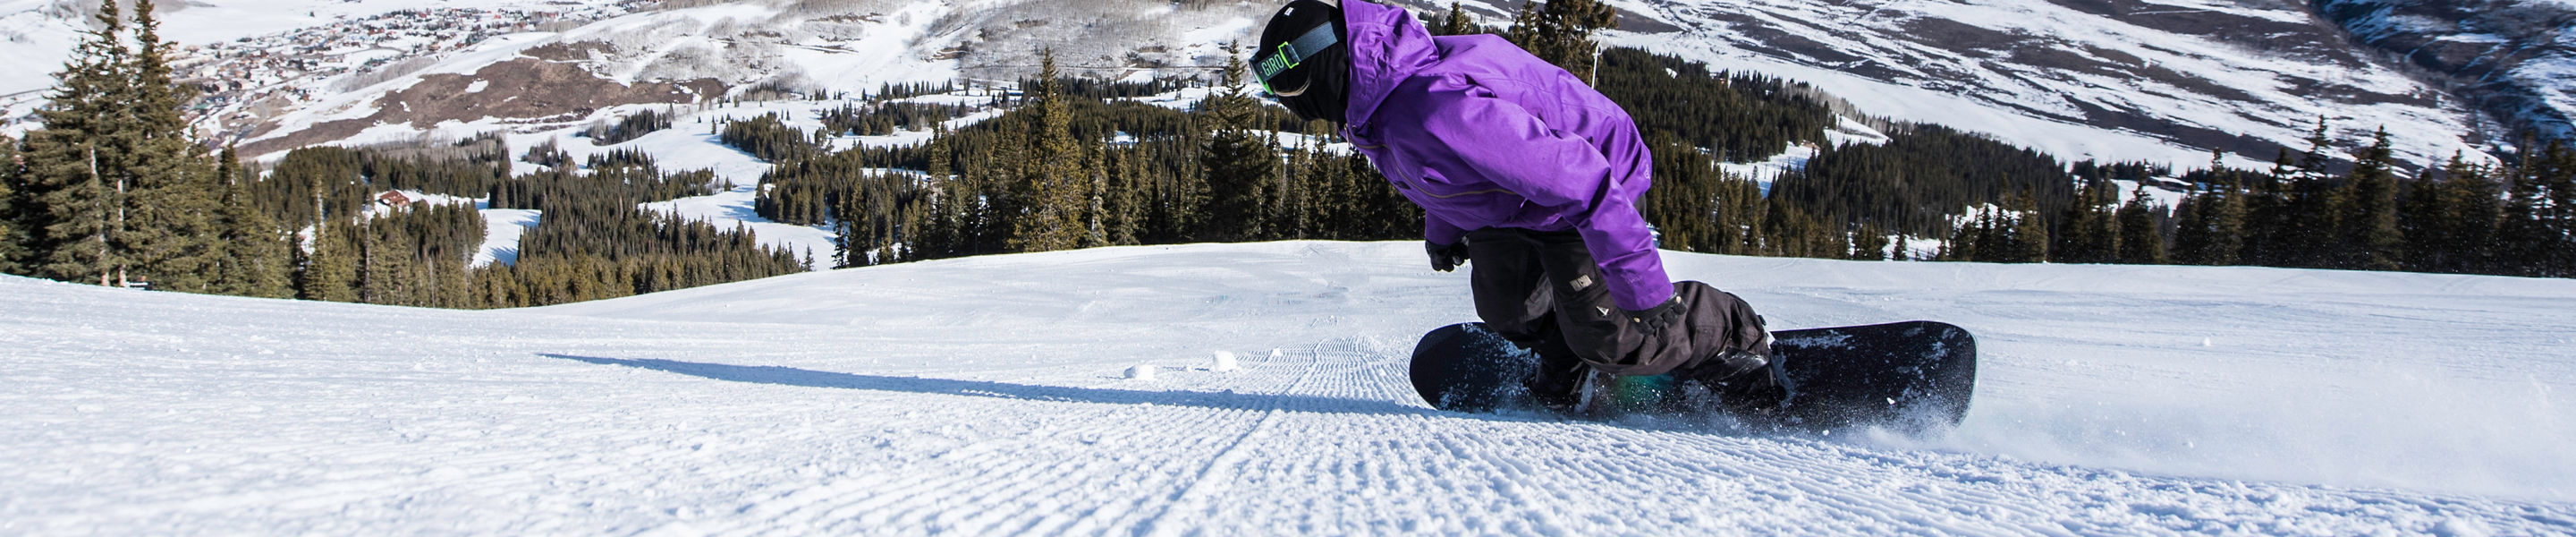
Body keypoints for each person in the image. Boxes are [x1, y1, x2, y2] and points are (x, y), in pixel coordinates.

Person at [1253, 0, 1788, 413]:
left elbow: (1582, 182)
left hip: (1585, 191)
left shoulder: (1433, 104)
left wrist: (1643, 290)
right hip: (1516, 203)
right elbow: (1444, 173)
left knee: (1615, 336)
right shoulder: (1376, 97)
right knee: (1507, 307)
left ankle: (1733, 333)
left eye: (1291, 84)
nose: (1288, 102)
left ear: (1326, 67)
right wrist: (1442, 230)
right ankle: (1568, 365)